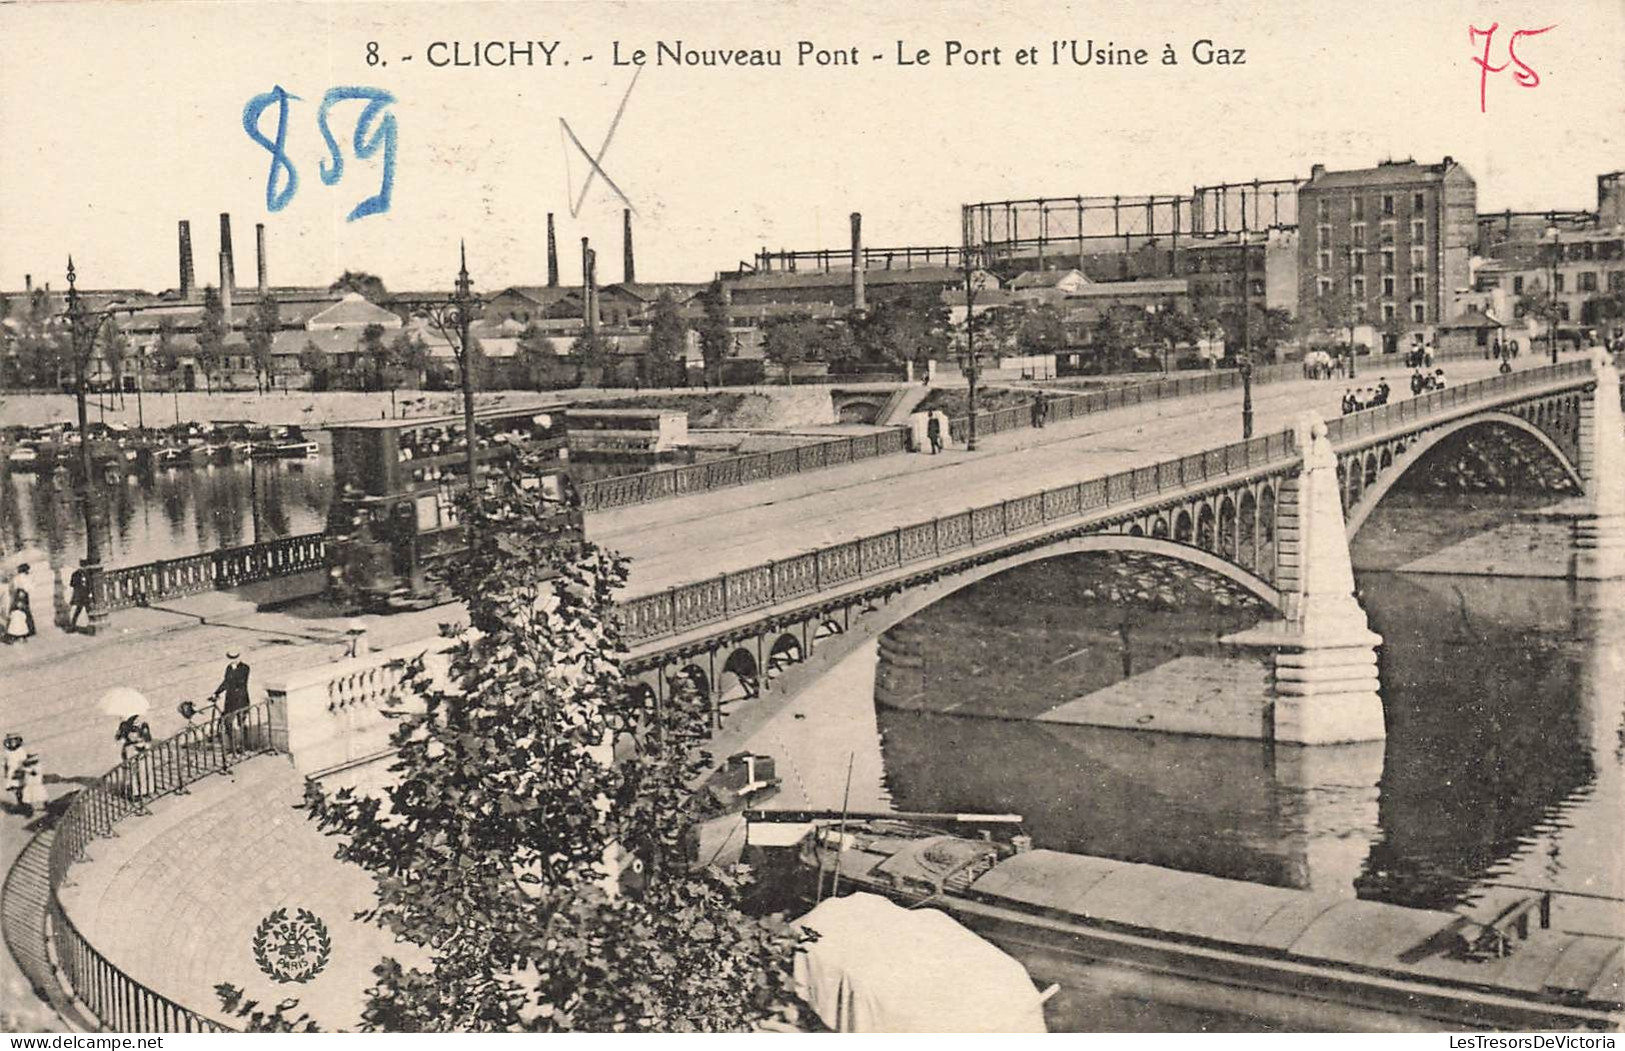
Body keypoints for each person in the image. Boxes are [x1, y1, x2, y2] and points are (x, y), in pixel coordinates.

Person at [211, 649, 253, 754]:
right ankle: (232, 746)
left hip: (241, 699)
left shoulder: (245, 668)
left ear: (239, 657)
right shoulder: (229, 668)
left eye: (235, 658)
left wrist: (233, 673)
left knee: (241, 723)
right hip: (230, 700)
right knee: (227, 722)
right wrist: (216, 692)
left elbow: (240, 682)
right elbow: (226, 682)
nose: (233, 660)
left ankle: (244, 746)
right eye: (231, 658)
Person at [67, 563, 91, 632]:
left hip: (83, 595)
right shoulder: (78, 574)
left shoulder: (80, 574)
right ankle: (72, 625)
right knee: (81, 610)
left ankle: (73, 625)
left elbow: (72, 584)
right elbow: (72, 584)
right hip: (81, 595)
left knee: (82, 610)